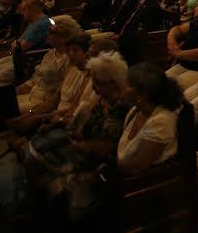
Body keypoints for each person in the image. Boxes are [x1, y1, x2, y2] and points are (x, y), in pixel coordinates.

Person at [22, 50, 130, 222]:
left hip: (99, 162)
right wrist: (76, 131)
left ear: (113, 83)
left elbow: (106, 146)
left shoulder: (121, 107)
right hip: (83, 148)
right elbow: (83, 124)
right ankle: (38, 208)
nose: (93, 87)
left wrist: (81, 144)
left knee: (50, 177)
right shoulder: (103, 99)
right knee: (35, 158)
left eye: (97, 83)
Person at [118, 62, 182, 175]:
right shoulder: (136, 110)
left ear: (144, 93)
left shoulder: (162, 121)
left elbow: (139, 166)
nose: (123, 87)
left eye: (128, 85)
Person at [0, 0, 52, 91]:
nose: (21, 13)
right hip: (17, 56)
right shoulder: (33, 22)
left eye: (23, 10)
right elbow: (19, 42)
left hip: (26, 61)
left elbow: (21, 47)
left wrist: (11, 48)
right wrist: (12, 48)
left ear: (31, 10)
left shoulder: (42, 25)